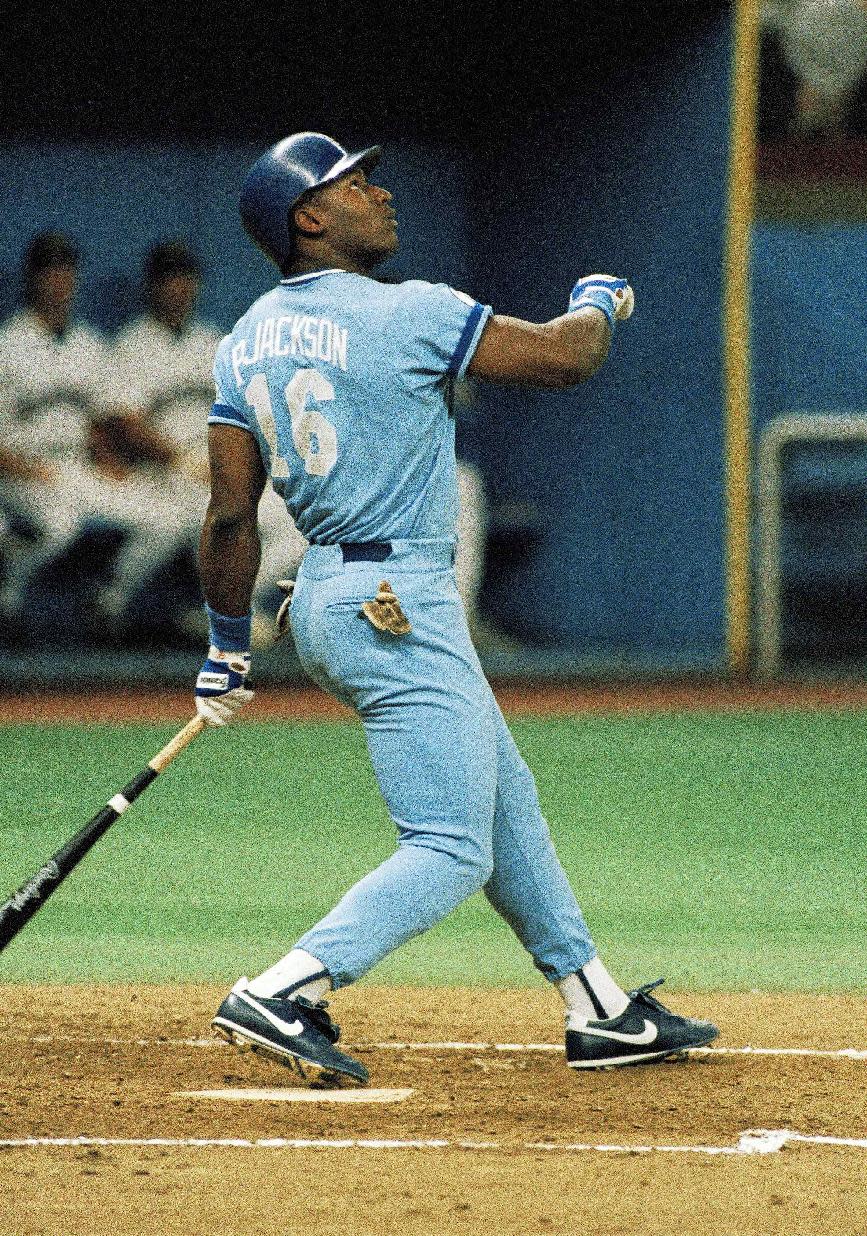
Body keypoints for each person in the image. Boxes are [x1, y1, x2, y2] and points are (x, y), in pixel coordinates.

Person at [196, 132, 719, 1085]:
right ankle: (284, 989)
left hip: (321, 596)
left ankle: (596, 1006)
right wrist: (598, 300)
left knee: (502, 796)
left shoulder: (243, 341)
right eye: (355, 184)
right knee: (447, 843)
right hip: (396, 599)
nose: (381, 193)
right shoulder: (410, 311)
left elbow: (232, 515)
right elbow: (564, 360)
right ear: (308, 217)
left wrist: (224, 652)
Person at [107, 241, 307, 641]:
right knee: (221, 520)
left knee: (295, 525)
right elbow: (124, 424)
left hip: (219, 464)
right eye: (169, 278)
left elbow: (249, 412)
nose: (179, 287)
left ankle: (230, 606)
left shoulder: (214, 342)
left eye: (186, 277)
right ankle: (222, 615)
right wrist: (180, 460)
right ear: (152, 286)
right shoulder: (132, 344)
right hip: (168, 475)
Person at [0, 232, 188, 633]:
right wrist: (24, 470)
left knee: (167, 520)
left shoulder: (88, 344)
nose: (60, 279)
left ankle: (106, 600)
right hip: (20, 472)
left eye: (66, 269)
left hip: (74, 468)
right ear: (32, 277)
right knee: (60, 523)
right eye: (50, 269)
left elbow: (101, 420)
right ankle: (8, 597)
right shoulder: (7, 345)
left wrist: (109, 463)